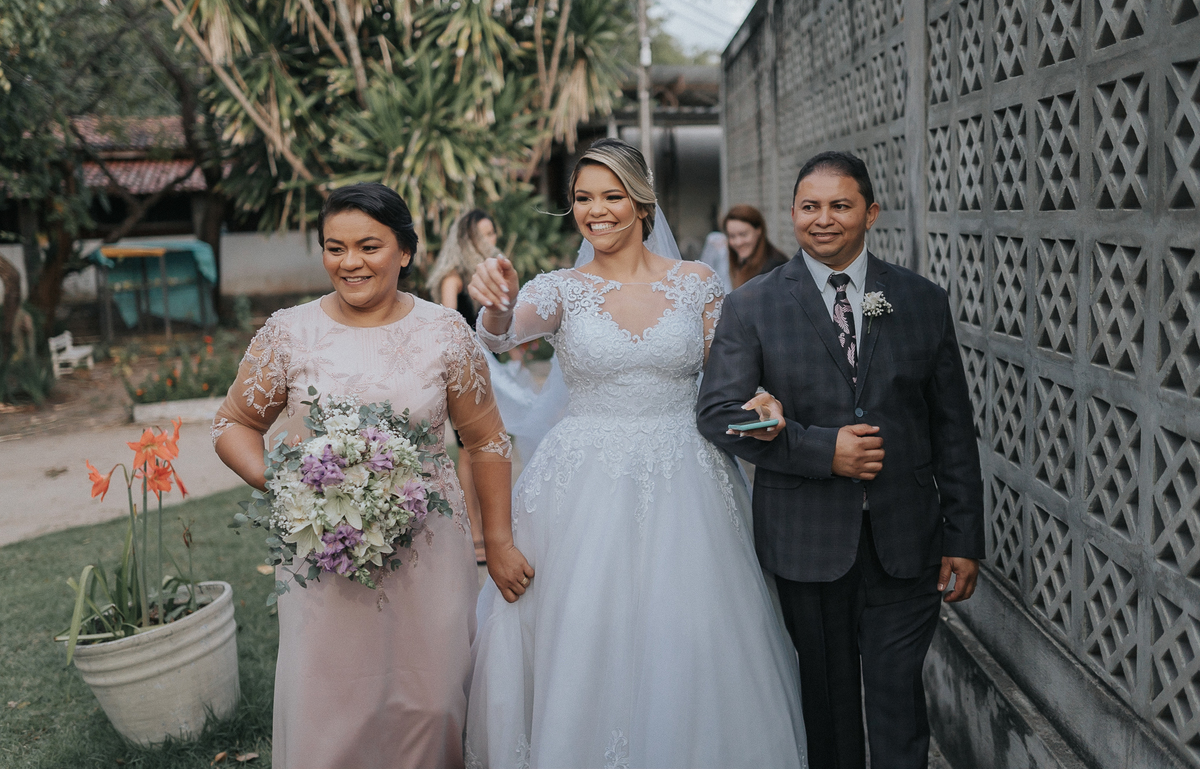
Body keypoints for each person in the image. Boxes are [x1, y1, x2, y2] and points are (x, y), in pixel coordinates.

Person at [464, 138, 806, 769]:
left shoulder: (698, 284)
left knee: (691, 637)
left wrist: (763, 404)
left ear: (642, 203)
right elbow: (503, 332)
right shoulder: (561, 289)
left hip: (688, 481)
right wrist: (498, 304)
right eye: (582, 198)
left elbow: (727, 377)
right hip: (581, 485)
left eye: (611, 196)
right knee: (583, 635)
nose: (596, 210)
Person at [212, 183, 532, 769]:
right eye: (334, 248)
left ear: (405, 252)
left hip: (429, 555)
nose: (349, 262)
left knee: (432, 703)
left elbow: (486, 439)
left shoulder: (445, 333)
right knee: (329, 706)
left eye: (368, 246)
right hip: (323, 556)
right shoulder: (290, 332)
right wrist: (290, 485)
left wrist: (502, 542)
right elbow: (233, 423)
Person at [697, 151, 985, 769]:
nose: (822, 219)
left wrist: (964, 536)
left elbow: (952, 429)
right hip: (807, 543)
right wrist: (820, 449)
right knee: (826, 710)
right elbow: (720, 415)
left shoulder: (921, 300)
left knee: (898, 701)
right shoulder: (751, 306)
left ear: (871, 212)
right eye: (809, 207)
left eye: (839, 205)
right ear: (792, 214)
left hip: (907, 540)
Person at [428, 209, 501, 563]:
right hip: (465, 376)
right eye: (486, 234)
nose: (493, 241)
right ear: (470, 239)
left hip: (491, 373)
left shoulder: (484, 276)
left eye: (494, 234)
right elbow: (448, 328)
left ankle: (491, 525)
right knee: (469, 453)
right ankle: (475, 530)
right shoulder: (453, 280)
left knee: (487, 448)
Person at [723, 203, 787, 289]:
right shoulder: (745, 262)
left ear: (758, 231)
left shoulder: (775, 268)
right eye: (732, 236)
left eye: (743, 234)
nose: (738, 242)